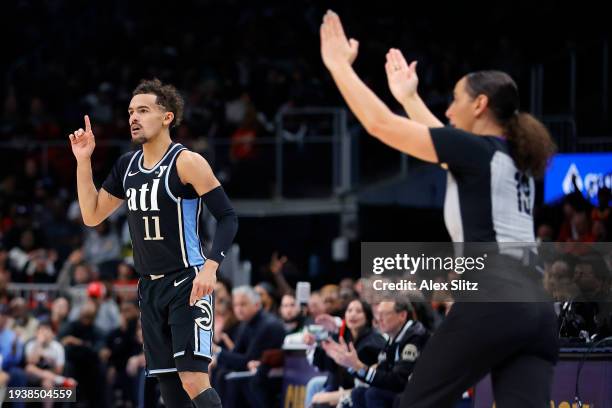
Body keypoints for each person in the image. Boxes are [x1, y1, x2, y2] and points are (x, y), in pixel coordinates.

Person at [320, 11, 558, 407]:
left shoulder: (477, 151)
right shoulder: (514, 159)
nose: (448, 110)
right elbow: (447, 148)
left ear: (479, 104)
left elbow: (380, 125)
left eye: (454, 100)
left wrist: (338, 67)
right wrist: (410, 98)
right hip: (538, 311)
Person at [68, 78, 238, 407]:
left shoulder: (187, 162)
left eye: (143, 110)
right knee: (170, 392)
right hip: (149, 288)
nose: (133, 117)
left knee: (192, 380)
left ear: (167, 117)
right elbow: (91, 216)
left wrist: (211, 267)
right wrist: (83, 160)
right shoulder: (127, 166)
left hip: (188, 282)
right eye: (131, 111)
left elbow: (228, 216)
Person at [328, 300, 429, 408]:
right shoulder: (394, 338)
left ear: (402, 315)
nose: (379, 319)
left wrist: (359, 367)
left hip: (421, 393)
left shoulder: (415, 337)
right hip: (403, 391)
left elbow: (398, 381)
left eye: (384, 314)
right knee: (358, 393)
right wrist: (353, 366)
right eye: (377, 314)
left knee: (374, 394)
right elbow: (382, 371)